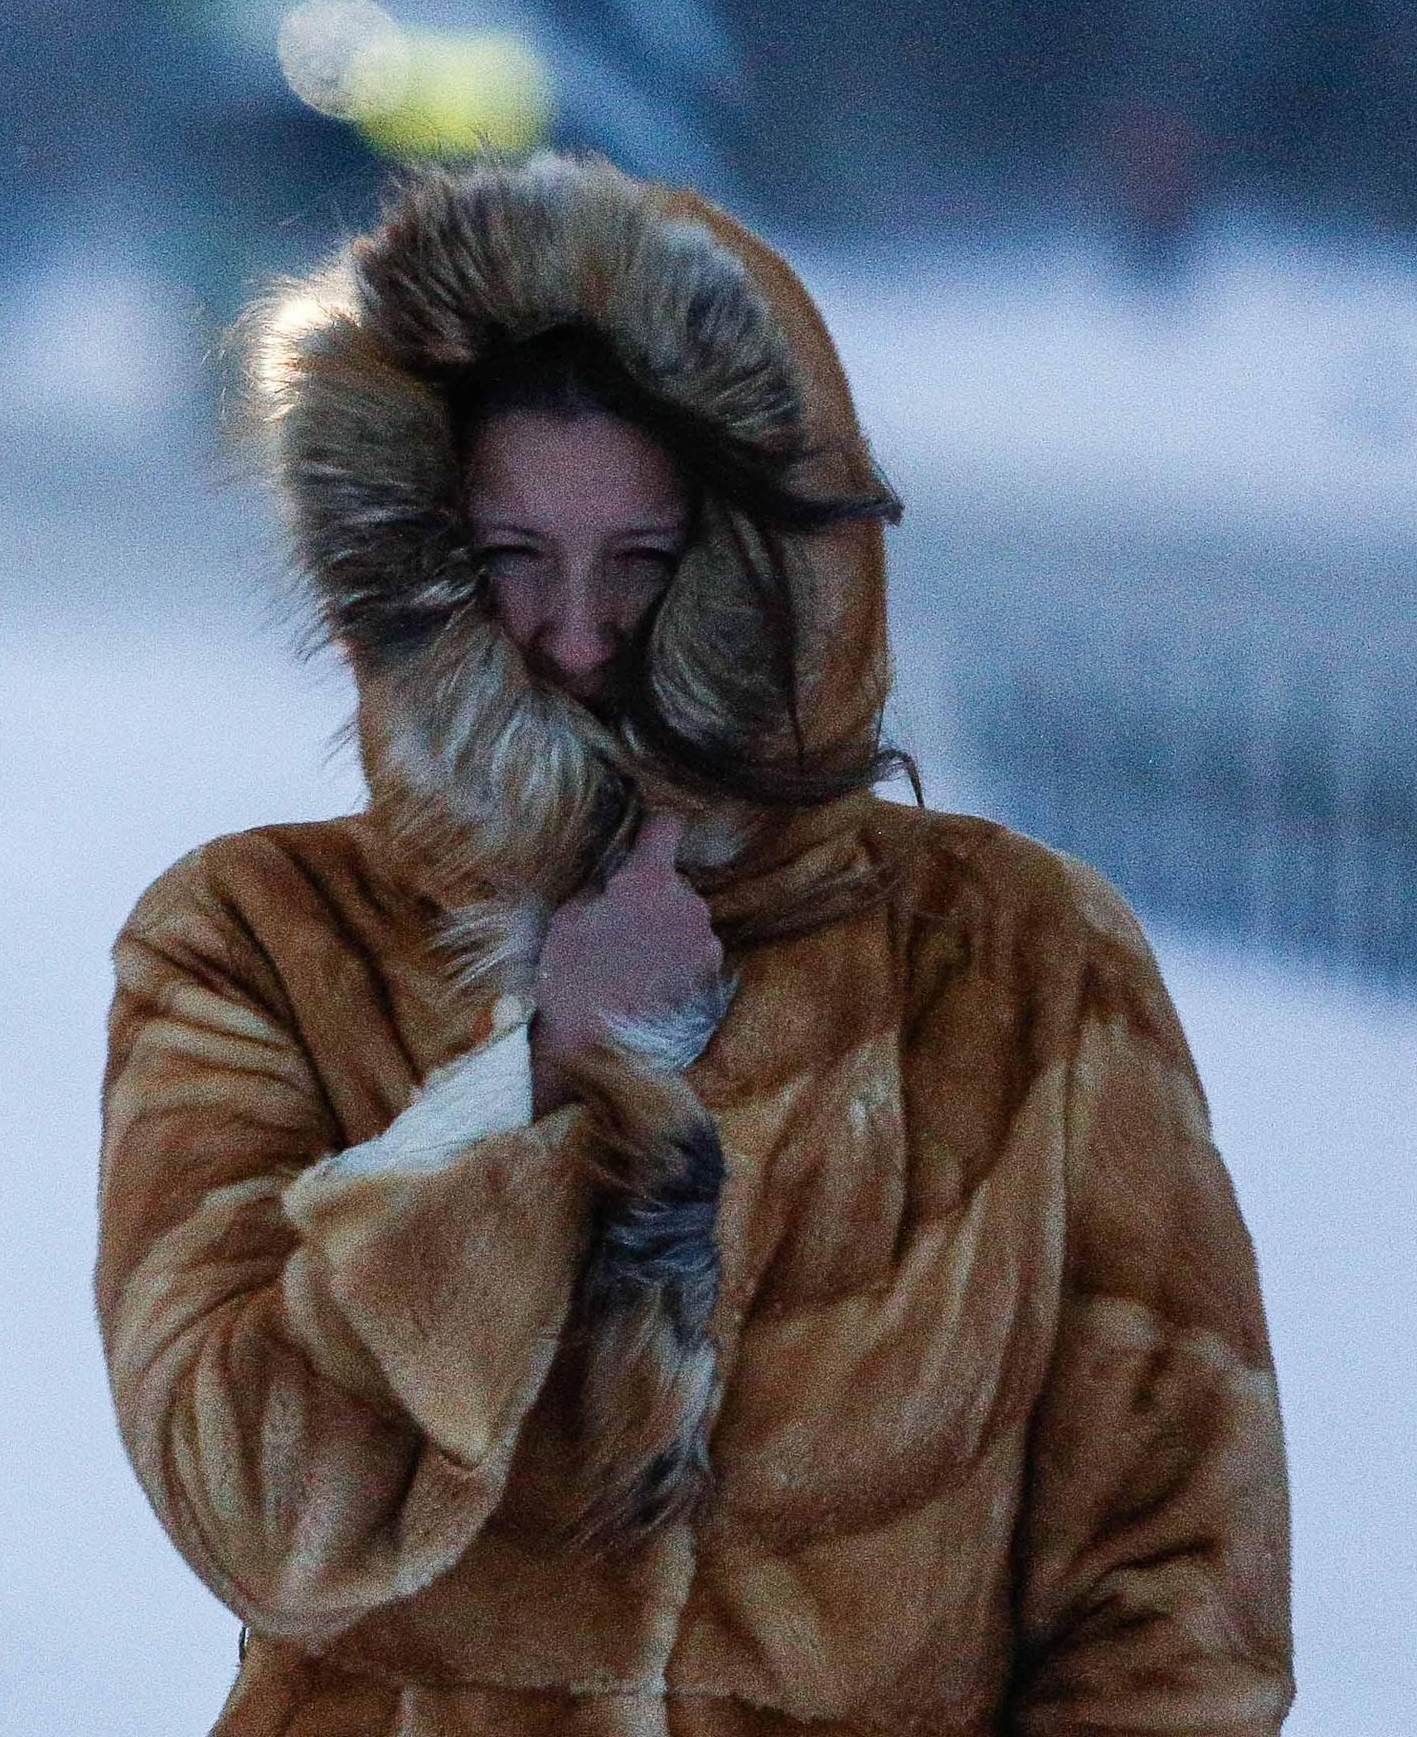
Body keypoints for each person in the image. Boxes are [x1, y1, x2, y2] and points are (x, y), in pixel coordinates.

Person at [97, 156, 1289, 1733]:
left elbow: (1178, 1589)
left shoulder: (1019, 966)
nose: (578, 634)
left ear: (759, 567)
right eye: (514, 558)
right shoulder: (258, 944)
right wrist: (537, 1084)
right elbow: (256, 1510)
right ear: (422, 563)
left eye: (641, 564)